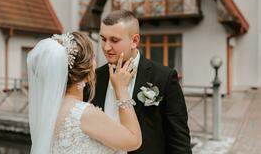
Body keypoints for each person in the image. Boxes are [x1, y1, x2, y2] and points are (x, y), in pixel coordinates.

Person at [92, 10, 192, 154]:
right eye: (103, 39)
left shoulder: (164, 77)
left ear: (134, 41)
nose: (106, 47)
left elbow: (179, 142)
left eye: (114, 40)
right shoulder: (95, 77)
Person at [27, 32, 142, 154]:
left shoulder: (50, 109)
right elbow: (134, 141)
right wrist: (121, 89)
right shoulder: (82, 114)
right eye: (93, 57)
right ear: (86, 70)